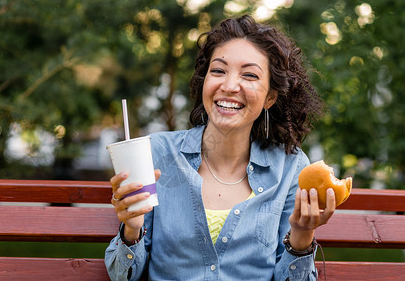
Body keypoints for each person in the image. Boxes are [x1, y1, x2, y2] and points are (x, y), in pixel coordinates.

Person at [105, 14, 335, 281]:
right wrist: (132, 229)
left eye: (249, 75)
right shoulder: (157, 153)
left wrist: (302, 238)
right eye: (218, 71)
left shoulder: (291, 167)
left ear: (270, 97)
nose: (228, 86)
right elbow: (122, 276)